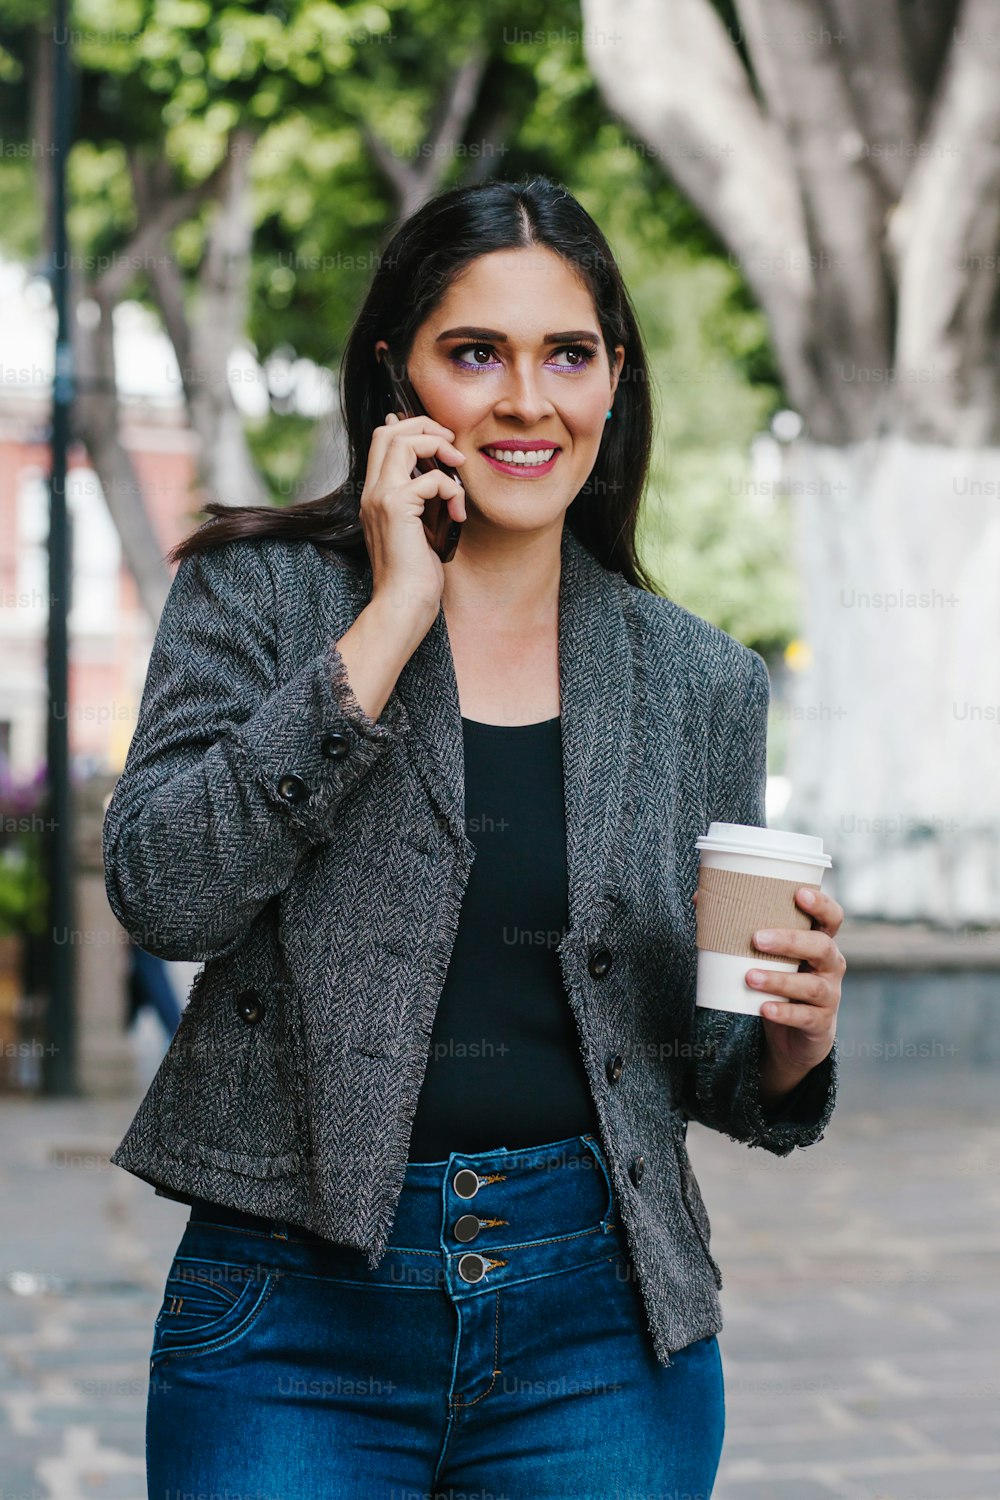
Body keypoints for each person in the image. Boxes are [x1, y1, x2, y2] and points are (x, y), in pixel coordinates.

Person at [102, 174, 845, 1499]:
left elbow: (713, 1074)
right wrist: (389, 619)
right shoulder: (257, 594)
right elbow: (166, 893)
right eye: (474, 354)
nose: (524, 399)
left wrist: (793, 1044)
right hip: (291, 1312)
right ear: (400, 376)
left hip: (599, 1328)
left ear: (615, 379)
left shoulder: (700, 682)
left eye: (567, 353)